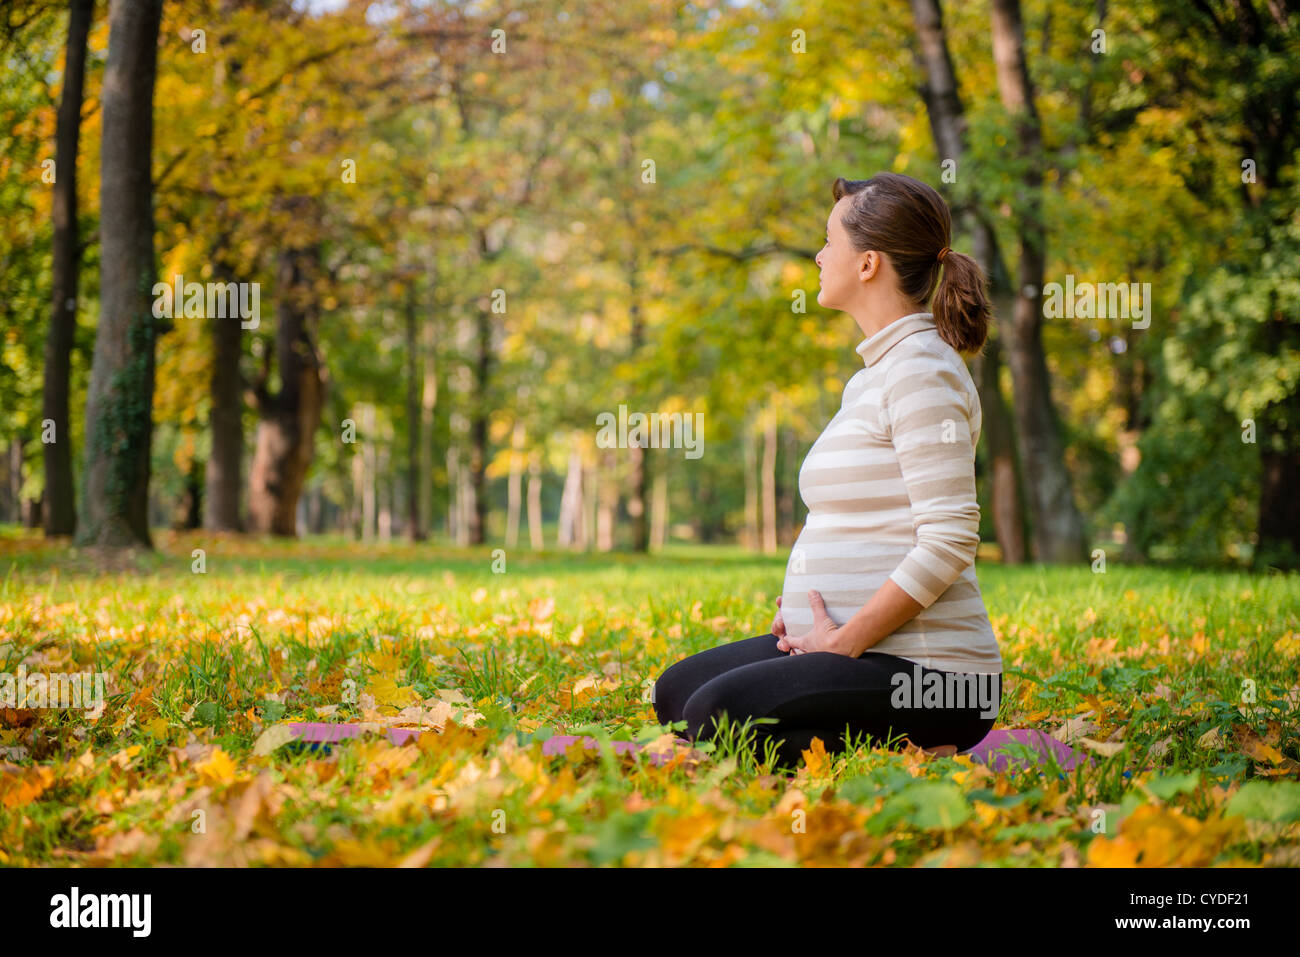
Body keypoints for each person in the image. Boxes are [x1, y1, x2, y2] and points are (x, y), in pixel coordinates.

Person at [653, 172, 1004, 773]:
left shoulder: (922, 370)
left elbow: (949, 537)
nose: (818, 256)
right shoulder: (872, 375)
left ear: (868, 263)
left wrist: (848, 638)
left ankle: (920, 748)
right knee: (677, 694)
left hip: (939, 677)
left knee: (716, 712)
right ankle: (897, 749)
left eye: (828, 241)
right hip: (859, 649)